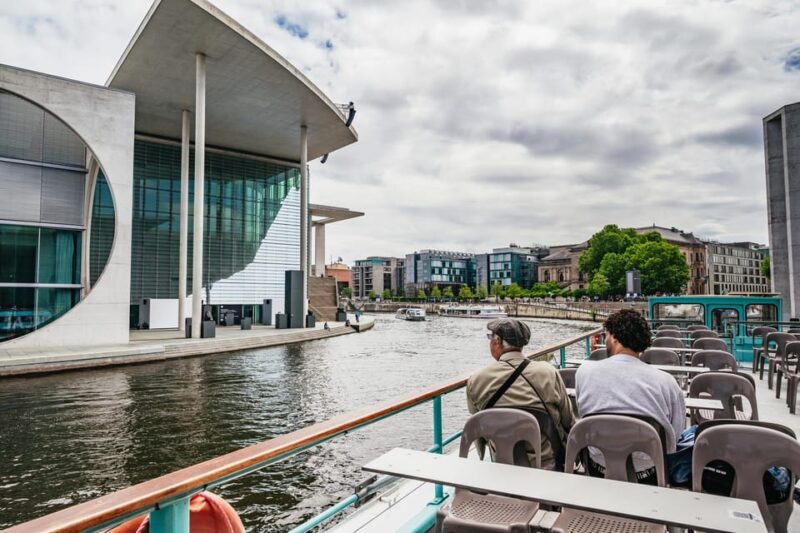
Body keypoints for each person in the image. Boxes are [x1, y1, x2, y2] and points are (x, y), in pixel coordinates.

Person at [575, 308, 685, 484]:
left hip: (598, 467)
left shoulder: (584, 372)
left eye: (606, 336)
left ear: (615, 338)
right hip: (648, 474)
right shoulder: (667, 382)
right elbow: (675, 436)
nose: (606, 341)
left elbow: (583, 414)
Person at [467, 318, 575, 470]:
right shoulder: (548, 373)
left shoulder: (477, 380)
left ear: (497, 342)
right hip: (547, 465)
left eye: (490, 337)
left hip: (502, 465)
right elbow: (568, 420)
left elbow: (477, 423)